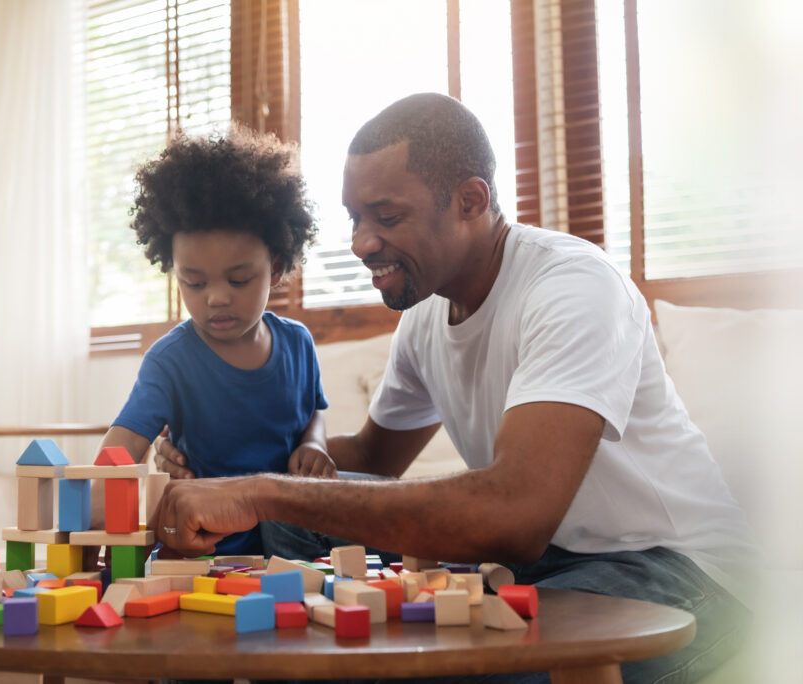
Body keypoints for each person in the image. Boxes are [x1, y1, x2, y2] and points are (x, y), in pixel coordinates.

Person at [149, 93, 754, 683]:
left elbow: (516, 513)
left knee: (429, 659)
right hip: (534, 565)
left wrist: (261, 491)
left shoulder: (573, 287)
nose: (361, 242)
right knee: (295, 524)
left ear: (470, 201)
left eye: (386, 217)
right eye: (355, 218)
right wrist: (219, 460)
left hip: (674, 568)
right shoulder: (424, 319)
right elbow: (367, 462)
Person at [94, 127, 334, 556]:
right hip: (203, 549)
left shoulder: (297, 344)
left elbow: (312, 411)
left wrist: (314, 443)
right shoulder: (171, 361)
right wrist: (91, 522)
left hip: (291, 549)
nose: (217, 297)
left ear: (275, 269)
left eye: (239, 279)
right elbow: (124, 445)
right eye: (195, 281)